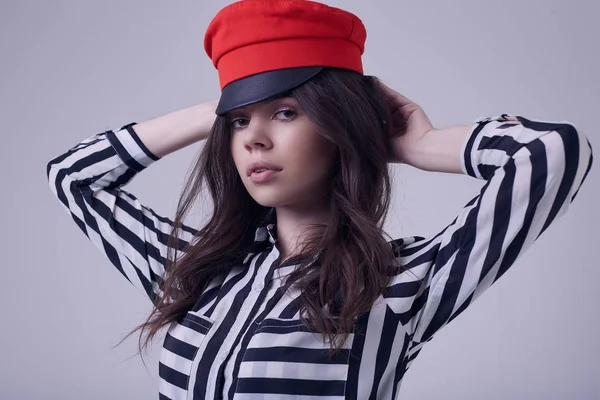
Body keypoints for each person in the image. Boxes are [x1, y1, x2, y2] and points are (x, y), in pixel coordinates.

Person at [46, 1, 593, 399]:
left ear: (338, 125)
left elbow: (552, 154)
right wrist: (224, 101)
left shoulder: (398, 283)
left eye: (285, 112)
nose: (254, 139)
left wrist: (422, 146)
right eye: (240, 123)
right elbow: (72, 176)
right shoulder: (198, 272)